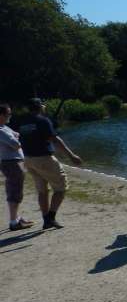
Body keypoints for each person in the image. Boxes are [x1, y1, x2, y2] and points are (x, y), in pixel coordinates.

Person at [17, 98, 82, 229]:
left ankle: (46, 220)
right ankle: (51, 218)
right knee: (61, 187)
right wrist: (71, 156)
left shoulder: (22, 122)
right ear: (40, 107)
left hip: (28, 159)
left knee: (42, 191)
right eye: (42, 105)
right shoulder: (42, 120)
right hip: (44, 159)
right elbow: (55, 139)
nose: (44, 107)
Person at [0, 104, 34, 231]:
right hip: (12, 163)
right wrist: (16, 138)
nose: (10, 116)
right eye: (8, 114)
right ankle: (14, 222)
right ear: (1, 115)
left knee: (15, 190)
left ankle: (15, 217)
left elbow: (17, 134)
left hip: (13, 162)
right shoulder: (1, 130)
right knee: (15, 191)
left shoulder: (4, 127)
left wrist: (16, 136)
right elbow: (16, 144)